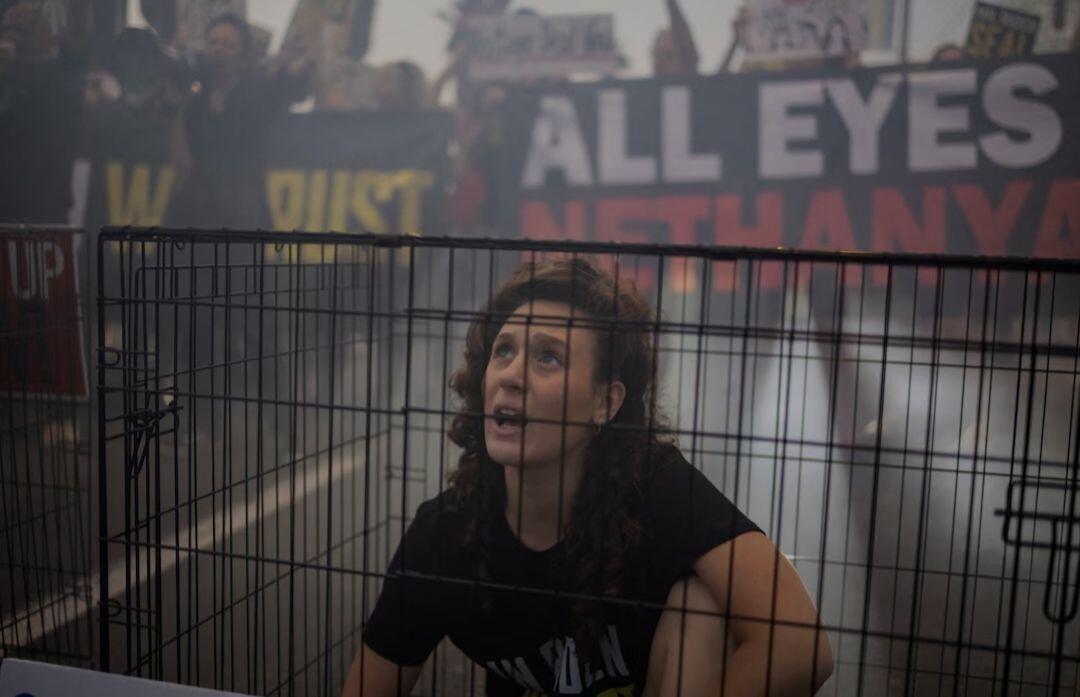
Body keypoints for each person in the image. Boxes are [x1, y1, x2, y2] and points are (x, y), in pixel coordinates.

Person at [344, 258, 834, 697]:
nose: (511, 375)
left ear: (605, 402)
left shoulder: (656, 488)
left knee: (699, 600)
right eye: (504, 351)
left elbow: (801, 644)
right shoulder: (444, 533)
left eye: (547, 357)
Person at [169, 12, 310, 229]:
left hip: (244, 207)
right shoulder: (197, 95)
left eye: (228, 44)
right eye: (214, 42)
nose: (219, 50)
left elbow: (292, 87)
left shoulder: (259, 89)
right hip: (197, 207)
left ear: (241, 50)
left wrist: (297, 64)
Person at [652, 0, 699, 76]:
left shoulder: (701, 86)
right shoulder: (642, 87)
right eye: (658, 55)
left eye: (668, 55)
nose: (661, 61)